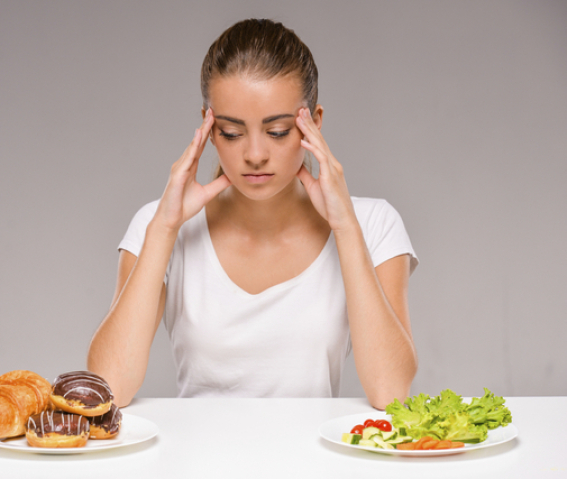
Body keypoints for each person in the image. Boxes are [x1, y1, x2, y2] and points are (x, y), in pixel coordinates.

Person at [87, 18, 418, 409]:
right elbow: (106, 390)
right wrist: (163, 228)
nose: (255, 154)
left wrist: (344, 226)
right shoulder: (159, 224)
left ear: (313, 125)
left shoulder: (373, 224)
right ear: (209, 129)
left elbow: (391, 392)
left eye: (277, 130)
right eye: (231, 132)